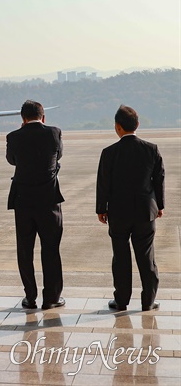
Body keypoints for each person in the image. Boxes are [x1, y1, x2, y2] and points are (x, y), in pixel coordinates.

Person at [96, 105, 165, 312]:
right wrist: (159, 205)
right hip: (145, 211)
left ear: (117, 127)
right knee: (146, 256)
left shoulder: (109, 153)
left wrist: (101, 208)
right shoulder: (151, 149)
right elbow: (159, 180)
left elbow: (103, 183)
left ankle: (122, 300)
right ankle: (148, 300)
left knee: (121, 256)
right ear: (138, 124)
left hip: (118, 212)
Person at [6, 100, 65, 310]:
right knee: (51, 249)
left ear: (22, 119)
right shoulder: (54, 133)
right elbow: (58, 155)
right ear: (43, 117)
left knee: (25, 250)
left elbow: (12, 160)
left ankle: (30, 297)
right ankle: (51, 298)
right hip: (48, 200)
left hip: (23, 201)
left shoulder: (13, 137)